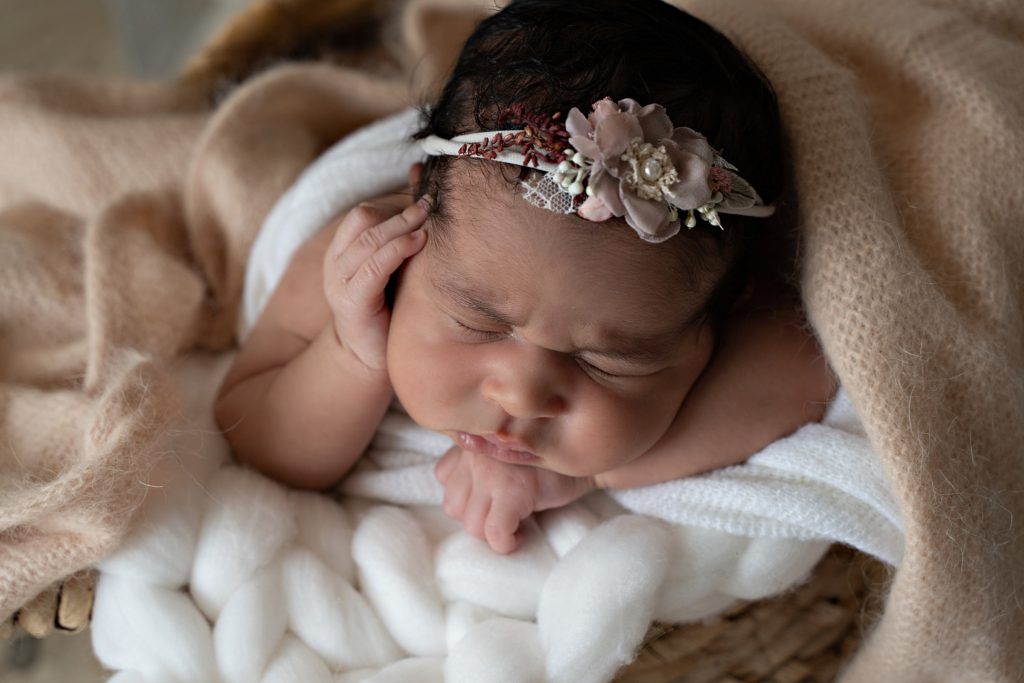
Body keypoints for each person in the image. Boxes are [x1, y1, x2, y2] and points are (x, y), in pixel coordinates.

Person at [215, 0, 836, 554]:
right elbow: (258, 442)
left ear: (718, 317)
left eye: (606, 361)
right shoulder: (361, 257)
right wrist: (351, 350)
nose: (523, 397)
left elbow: (808, 361)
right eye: (478, 321)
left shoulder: (713, 302)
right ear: (415, 220)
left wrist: (581, 473)